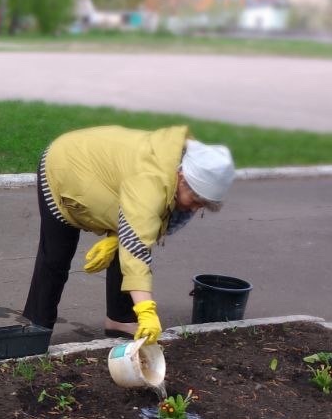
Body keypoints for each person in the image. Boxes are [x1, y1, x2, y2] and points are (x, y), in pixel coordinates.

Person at [23, 125, 235, 343]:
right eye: (196, 201)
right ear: (182, 177)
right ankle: (35, 329)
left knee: (129, 239)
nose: (195, 209)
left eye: (203, 205)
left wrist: (117, 238)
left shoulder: (176, 169)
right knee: (56, 256)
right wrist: (146, 311)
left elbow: (145, 227)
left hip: (102, 175)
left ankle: (120, 319)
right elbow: (137, 248)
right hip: (64, 166)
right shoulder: (151, 181)